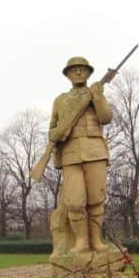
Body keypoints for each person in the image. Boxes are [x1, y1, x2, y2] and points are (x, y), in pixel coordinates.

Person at [49, 56, 112, 254]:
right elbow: (51, 130)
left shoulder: (95, 94)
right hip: (70, 155)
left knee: (95, 200)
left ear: (88, 73)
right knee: (75, 202)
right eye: (73, 70)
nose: (78, 72)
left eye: (82, 69)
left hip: (95, 152)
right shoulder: (60, 100)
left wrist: (98, 97)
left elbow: (106, 118)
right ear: (67, 74)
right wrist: (58, 132)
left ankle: (96, 241)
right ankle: (81, 242)